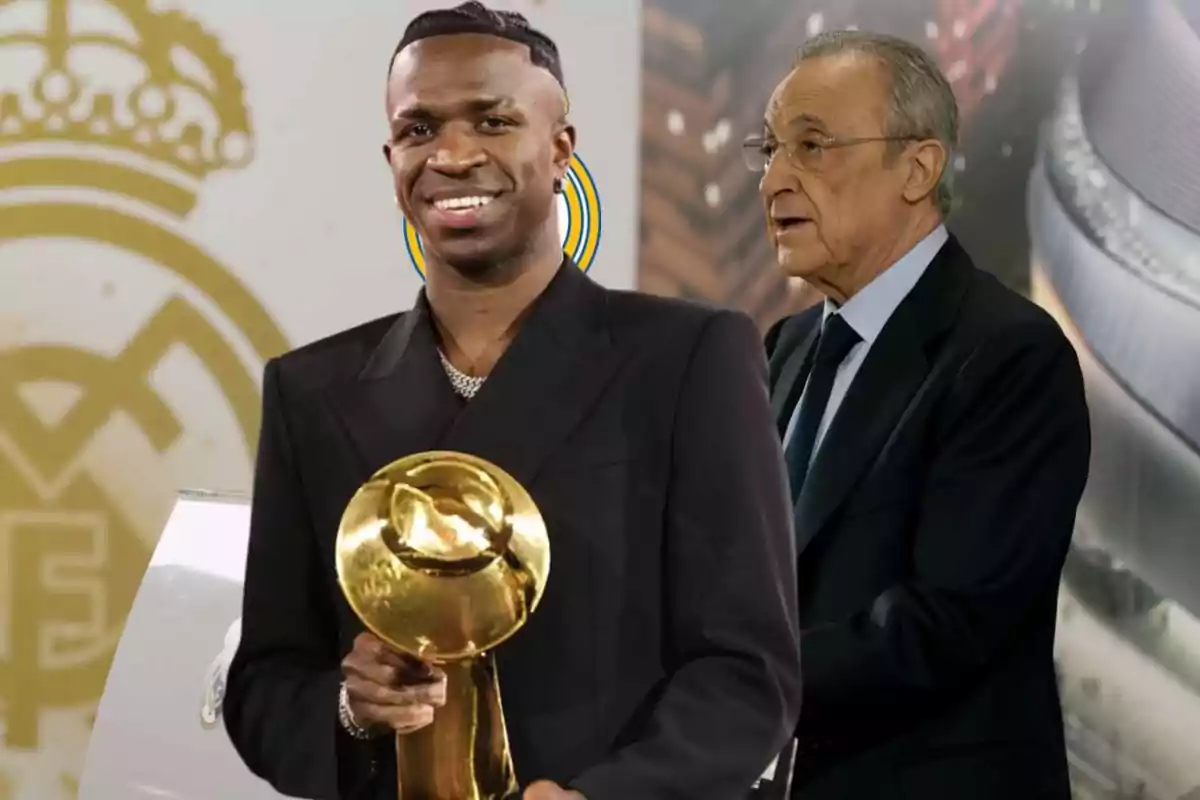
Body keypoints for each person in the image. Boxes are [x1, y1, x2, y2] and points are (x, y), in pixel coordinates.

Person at [222, 3, 803, 799]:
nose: (453, 156)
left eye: (492, 121)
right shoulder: (310, 390)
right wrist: (352, 708)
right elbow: (263, 684)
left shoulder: (686, 360)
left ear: (560, 149)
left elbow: (748, 671)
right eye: (420, 130)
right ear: (391, 157)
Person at [752, 30, 1090, 800]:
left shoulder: (1009, 353)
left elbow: (946, 621)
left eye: (811, 146)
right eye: (768, 149)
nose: (774, 179)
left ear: (918, 167)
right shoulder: (791, 344)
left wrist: (734, 680)